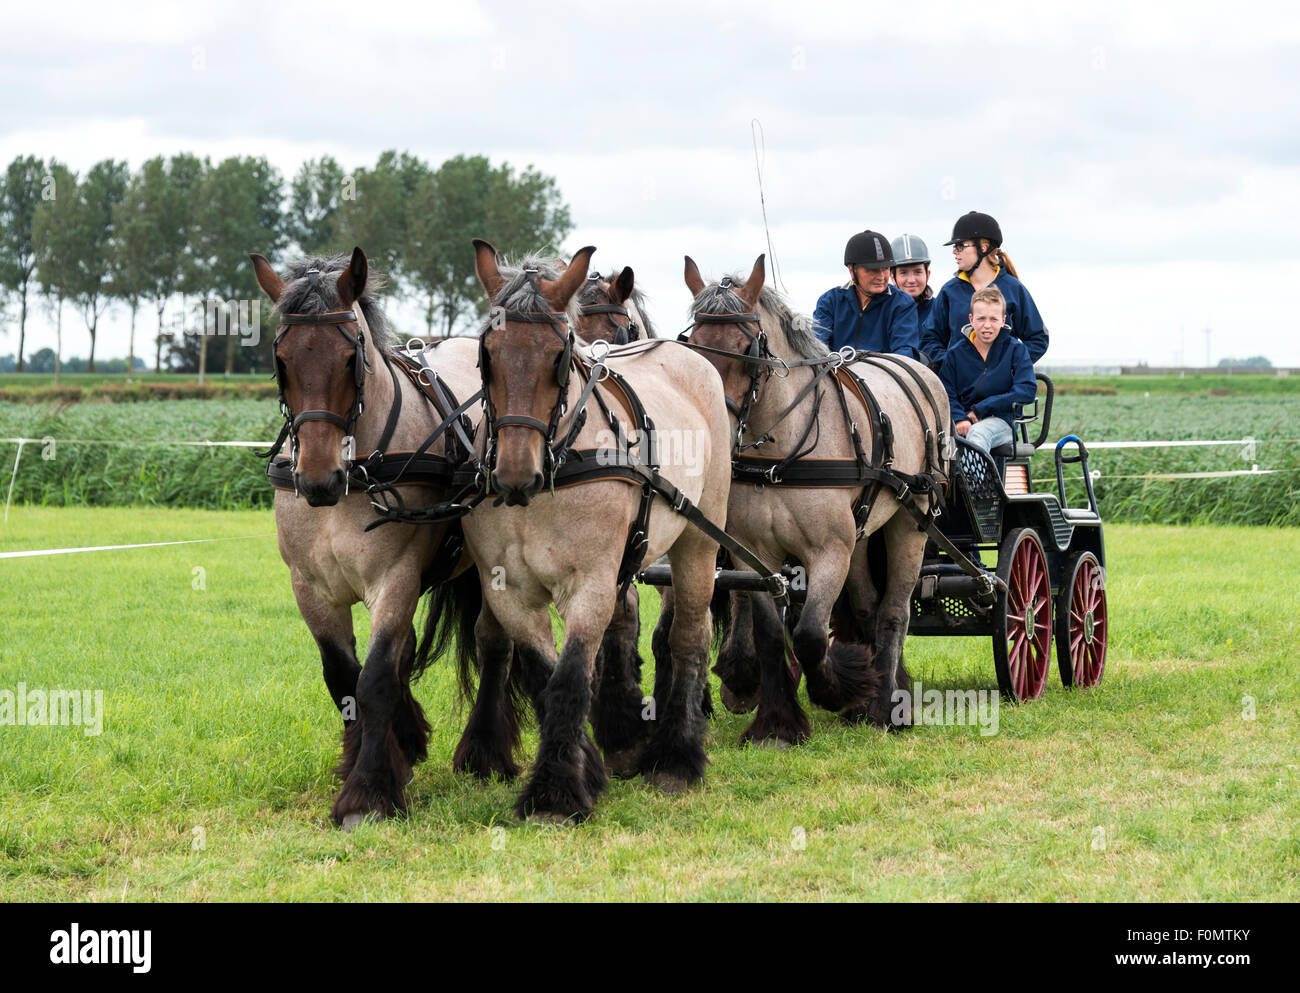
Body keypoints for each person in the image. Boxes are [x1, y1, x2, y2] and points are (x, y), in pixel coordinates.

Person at [921, 211, 1048, 368]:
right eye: (955, 247)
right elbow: (929, 339)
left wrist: (1008, 366)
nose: (955, 251)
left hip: (1004, 387)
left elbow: (1038, 339)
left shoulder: (1014, 289)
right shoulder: (949, 291)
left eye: (961, 246)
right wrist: (952, 364)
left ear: (983, 247)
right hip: (957, 385)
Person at [937, 286, 1037, 455]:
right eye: (981, 318)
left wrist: (981, 408)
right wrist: (960, 418)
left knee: (978, 433)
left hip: (1002, 422)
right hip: (961, 420)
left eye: (993, 319)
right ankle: (948, 482)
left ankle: (974, 482)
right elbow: (947, 391)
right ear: (971, 319)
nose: (987, 326)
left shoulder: (1015, 350)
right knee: (941, 441)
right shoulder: (955, 353)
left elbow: (1026, 390)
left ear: (1003, 320)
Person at [812, 229, 921, 359]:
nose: (881, 277)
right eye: (872, 270)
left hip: (885, 376)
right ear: (852, 270)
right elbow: (816, 349)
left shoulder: (903, 303)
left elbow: (905, 352)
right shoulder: (829, 301)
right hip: (837, 376)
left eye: (886, 268)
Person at [891, 233, 935, 330]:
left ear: (928, 274)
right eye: (903, 272)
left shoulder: (940, 310)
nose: (911, 280)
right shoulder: (882, 312)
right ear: (893, 277)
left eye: (917, 272)